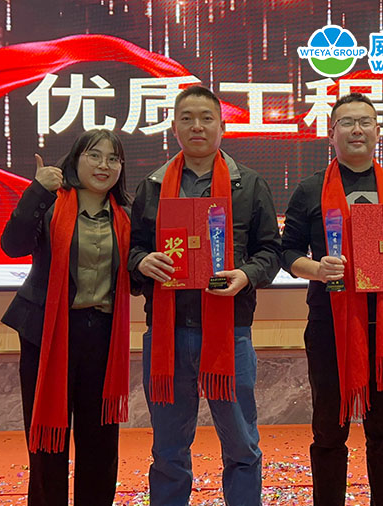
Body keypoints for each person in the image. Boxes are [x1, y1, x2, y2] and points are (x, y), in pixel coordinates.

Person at [128, 85, 281, 506]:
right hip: (167, 334)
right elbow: (131, 248)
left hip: (230, 332)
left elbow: (271, 252)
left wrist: (246, 275)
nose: (197, 126)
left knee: (241, 445)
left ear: (222, 126)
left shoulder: (249, 184)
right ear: (174, 127)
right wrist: (142, 261)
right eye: (187, 118)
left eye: (206, 117)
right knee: (168, 449)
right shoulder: (153, 186)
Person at [280, 93, 383, 506]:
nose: (356, 130)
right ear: (332, 134)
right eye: (346, 122)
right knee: (329, 431)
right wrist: (317, 269)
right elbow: (286, 251)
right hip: (330, 326)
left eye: (365, 122)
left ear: (378, 131)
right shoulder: (310, 189)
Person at [0, 129, 132, 506]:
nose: (104, 165)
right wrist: (36, 191)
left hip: (102, 336)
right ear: (75, 160)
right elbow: (12, 245)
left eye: (113, 158)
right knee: (48, 439)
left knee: (100, 441)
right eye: (95, 155)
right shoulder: (51, 204)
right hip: (47, 333)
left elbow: (135, 276)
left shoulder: (127, 216)